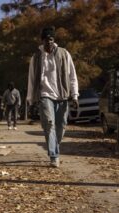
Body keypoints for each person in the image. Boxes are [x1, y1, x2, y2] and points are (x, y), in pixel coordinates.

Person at [27, 26, 79, 168]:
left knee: (61, 125)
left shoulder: (64, 53)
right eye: (46, 39)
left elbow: (72, 75)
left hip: (62, 96)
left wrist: (74, 95)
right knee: (49, 124)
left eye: (51, 39)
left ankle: (54, 144)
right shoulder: (36, 57)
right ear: (42, 41)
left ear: (54, 39)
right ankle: (54, 155)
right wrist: (30, 99)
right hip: (45, 96)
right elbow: (31, 79)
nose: (49, 42)